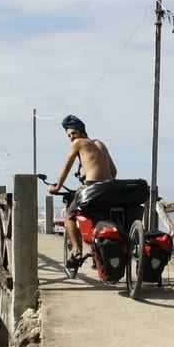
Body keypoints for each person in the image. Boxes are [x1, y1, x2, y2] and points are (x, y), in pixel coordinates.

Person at [47, 114, 117, 267]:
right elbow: (113, 171)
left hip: (92, 187)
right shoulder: (100, 143)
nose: (71, 137)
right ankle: (96, 254)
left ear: (80, 131)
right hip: (110, 188)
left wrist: (56, 187)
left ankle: (77, 251)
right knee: (98, 218)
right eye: (69, 135)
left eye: (73, 133)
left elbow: (66, 168)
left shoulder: (78, 143)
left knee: (69, 216)